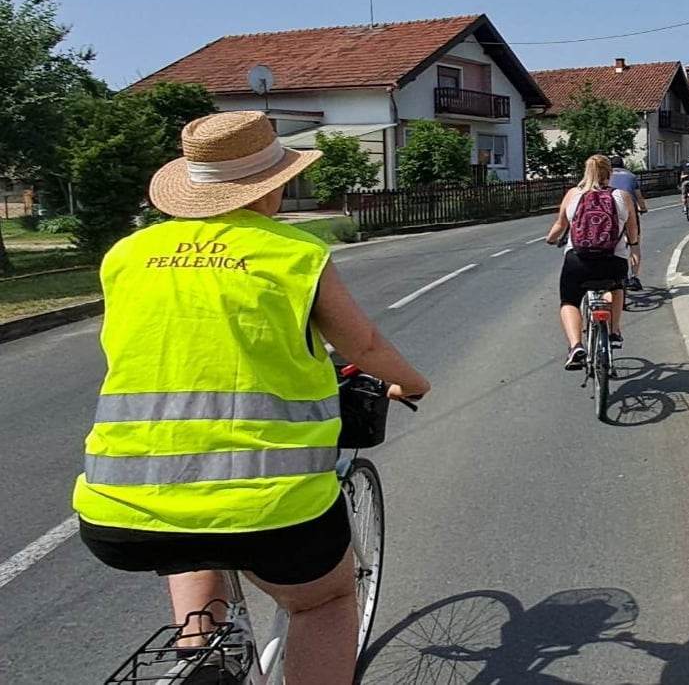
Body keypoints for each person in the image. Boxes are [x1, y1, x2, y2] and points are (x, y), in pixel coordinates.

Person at [73, 111, 431, 685]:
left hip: (118, 508)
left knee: (195, 543)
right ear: (272, 187)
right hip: (273, 511)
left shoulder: (126, 255)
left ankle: (202, 656)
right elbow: (361, 343)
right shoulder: (292, 252)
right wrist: (412, 383)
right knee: (322, 603)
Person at [546, 154, 640, 367]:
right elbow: (632, 231)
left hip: (578, 261)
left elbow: (559, 226)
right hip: (612, 261)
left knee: (569, 301)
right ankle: (614, 330)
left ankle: (576, 345)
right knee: (616, 288)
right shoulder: (622, 196)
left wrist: (550, 239)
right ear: (610, 173)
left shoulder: (573, 195)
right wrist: (633, 246)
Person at [609, 156, 647, 290]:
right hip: (629, 210)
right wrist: (643, 208)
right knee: (634, 243)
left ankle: (613, 273)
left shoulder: (606, 176)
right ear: (623, 165)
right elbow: (638, 196)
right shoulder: (631, 176)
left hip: (611, 213)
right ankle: (635, 277)